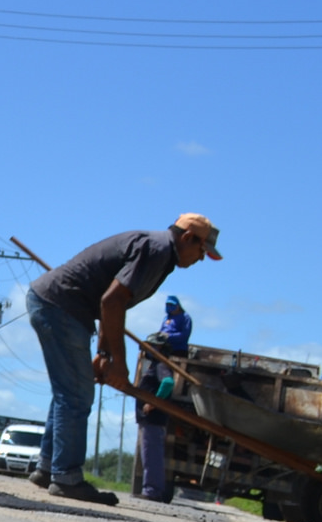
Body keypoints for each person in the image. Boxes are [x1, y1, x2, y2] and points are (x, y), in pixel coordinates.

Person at [25, 215, 222, 504]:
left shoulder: (161, 254)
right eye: (202, 251)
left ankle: (47, 467)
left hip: (59, 306)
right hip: (60, 306)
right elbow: (111, 302)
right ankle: (66, 477)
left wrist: (103, 354)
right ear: (188, 237)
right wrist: (119, 362)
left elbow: (113, 302)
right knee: (77, 396)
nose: (201, 259)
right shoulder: (157, 250)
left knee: (69, 390)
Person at [131, 296, 192, 502]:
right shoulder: (154, 365)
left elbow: (167, 384)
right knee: (148, 455)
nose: (150, 350)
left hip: (153, 418)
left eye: (153, 347)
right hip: (147, 418)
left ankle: (152, 490)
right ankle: (151, 489)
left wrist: (153, 403)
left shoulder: (160, 365)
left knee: (152, 455)